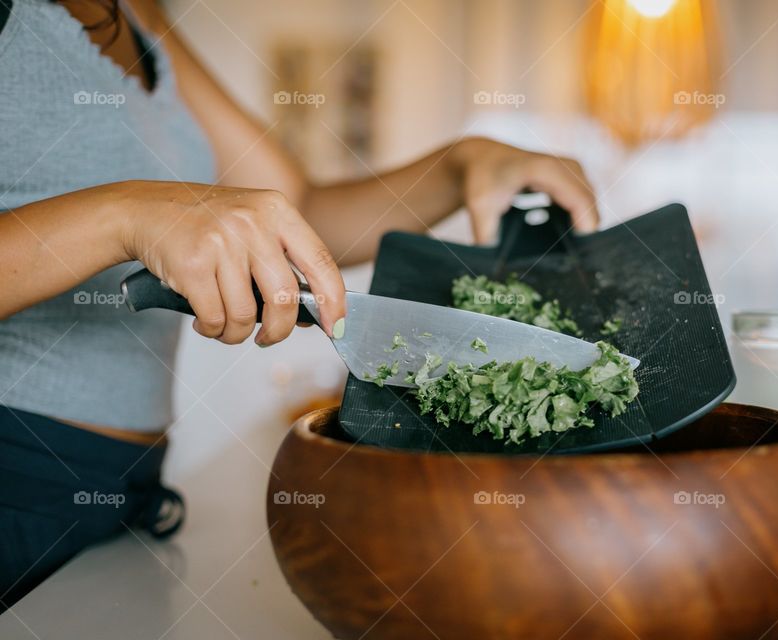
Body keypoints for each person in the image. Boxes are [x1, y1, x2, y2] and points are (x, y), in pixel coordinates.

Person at [0, 0, 598, 609]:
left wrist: (460, 163)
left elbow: (297, 211)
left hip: (120, 497)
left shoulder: (135, 10)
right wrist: (120, 215)